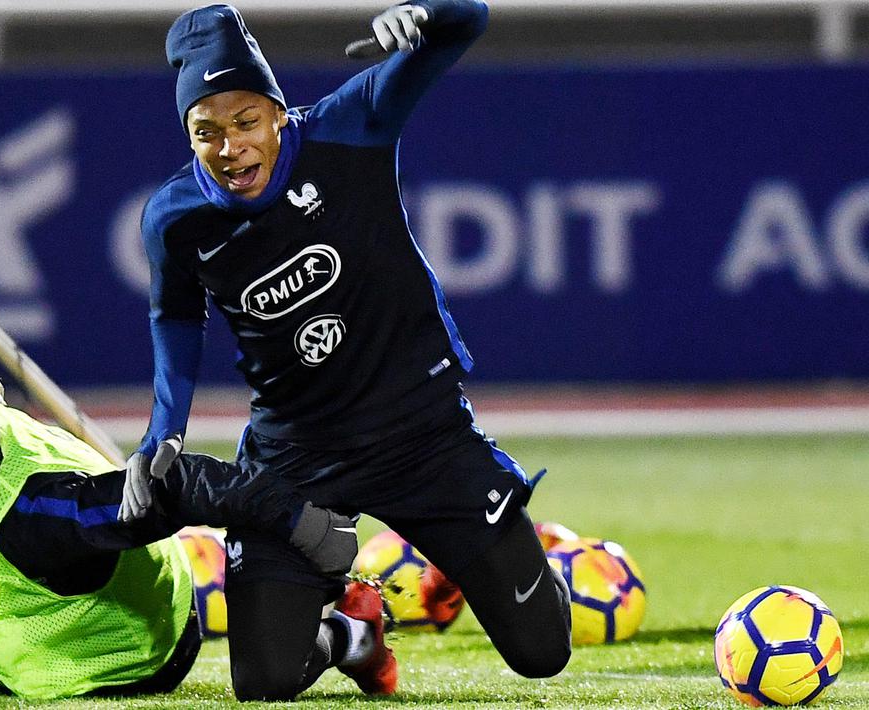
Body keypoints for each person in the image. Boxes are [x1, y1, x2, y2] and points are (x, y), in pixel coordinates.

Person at [126, 0, 573, 700]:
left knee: (542, 652)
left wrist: (425, 14)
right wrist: (163, 432)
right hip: (295, 458)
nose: (229, 146)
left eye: (245, 121)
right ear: (188, 135)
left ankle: (516, 554)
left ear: (278, 114)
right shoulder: (174, 217)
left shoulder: (348, 126)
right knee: (265, 683)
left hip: (422, 434)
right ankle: (351, 634)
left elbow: (470, 20)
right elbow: (176, 317)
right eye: (205, 131)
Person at [0, 366, 358, 700]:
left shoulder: (44, 519)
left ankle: (347, 634)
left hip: (126, 657)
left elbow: (180, 484)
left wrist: (305, 525)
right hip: (46, 601)